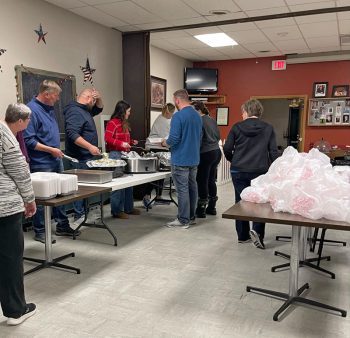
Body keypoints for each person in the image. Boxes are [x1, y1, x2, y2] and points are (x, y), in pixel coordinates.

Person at [23, 80, 78, 243]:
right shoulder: (31, 110)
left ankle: (62, 225)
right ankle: (41, 231)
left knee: (60, 194)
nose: (58, 98)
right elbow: (29, 141)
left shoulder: (49, 109)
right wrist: (51, 150)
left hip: (55, 159)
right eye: (56, 95)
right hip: (41, 162)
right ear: (46, 94)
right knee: (43, 198)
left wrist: (55, 151)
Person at [223, 99, 278, 249]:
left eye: (242, 112)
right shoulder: (268, 128)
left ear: (247, 112)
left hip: (238, 170)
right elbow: (273, 151)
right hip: (260, 171)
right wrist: (276, 169)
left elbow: (227, 148)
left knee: (240, 201)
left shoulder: (237, 127)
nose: (241, 115)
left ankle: (242, 236)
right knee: (260, 203)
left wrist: (233, 160)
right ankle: (257, 233)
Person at [1, 104, 37, 325]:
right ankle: (16, 311)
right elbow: (19, 170)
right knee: (10, 258)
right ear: (21, 120)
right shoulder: (5, 134)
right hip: (5, 207)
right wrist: (29, 199)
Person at [161, 89, 202, 228]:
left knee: (182, 190)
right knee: (192, 187)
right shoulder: (197, 115)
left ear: (177, 100)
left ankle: (183, 219)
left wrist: (164, 143)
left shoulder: (178, 116)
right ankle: (191, 216)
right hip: (194, 158)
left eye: (174, 101)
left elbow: (173, 138)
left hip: (181, 159)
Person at [64, 88, 104, 225]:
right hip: (79, 157)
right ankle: (79, 216)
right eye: (93, 100)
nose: (95, 103)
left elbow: (99, 109)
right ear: (88, 99)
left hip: (87, 157)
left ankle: (83, 215)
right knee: (79, 190)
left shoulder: (85, 109)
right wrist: (90, 147)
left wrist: (98, 98)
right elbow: (73, 134)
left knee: (85, 189)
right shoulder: (75, 111)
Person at [104, 100, 141, 219]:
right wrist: (122, 144)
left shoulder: (124, 123)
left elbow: (124, 140)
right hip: (115, 155)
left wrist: (130, 142)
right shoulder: (112, 123)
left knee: (128, 184)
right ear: (122, 111)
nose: (130, 113)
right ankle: (116, 211)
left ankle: (128, 208)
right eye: (128, 111)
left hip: (125, 155)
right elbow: (107, 139)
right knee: (118, 184)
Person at [191, 101, 222, 218]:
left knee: (202, 180)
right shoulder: (212, 119)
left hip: (205, 153)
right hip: (216, 152)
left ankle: (201, 209)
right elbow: (218, 136)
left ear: (198, 111)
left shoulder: (199, 121)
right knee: (210, 180)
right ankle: (212, 207)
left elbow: (198, 139)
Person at [143, 102, 175, 208]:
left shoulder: (163, 118)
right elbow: (168, 137)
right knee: (155, 175)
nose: (172, 115)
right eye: (171, 113)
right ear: (167, 112)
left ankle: (158, 196)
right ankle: (147, 196)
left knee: (161, 175)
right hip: (156, 149)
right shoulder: (162, 120)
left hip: (161, 148)